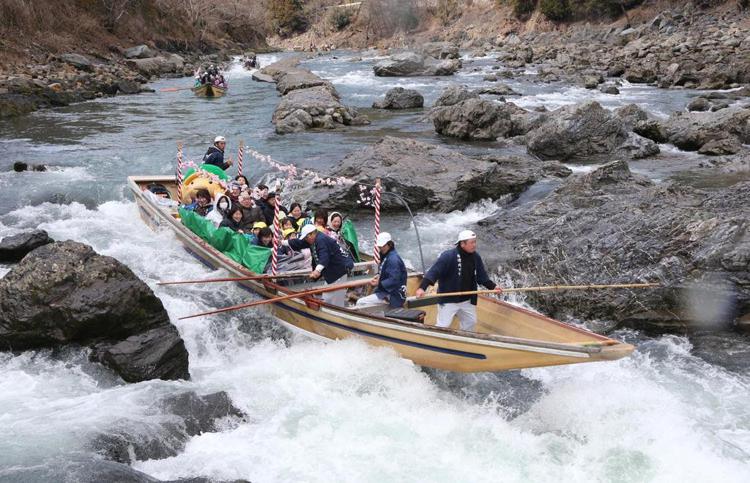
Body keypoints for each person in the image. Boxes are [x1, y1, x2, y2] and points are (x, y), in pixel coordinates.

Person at [415, 230, 502, 332]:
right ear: (462, 244)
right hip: (448, 299)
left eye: (475, 242)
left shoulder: (476, 257)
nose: (474, 245)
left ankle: (464, 340)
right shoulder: (448, 256)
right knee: (443, 325)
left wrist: (493, 287)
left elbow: (482, 277)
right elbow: (434, 272)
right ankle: (436, 341)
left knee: (471, 322)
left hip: (467, 299)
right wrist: (422, 288)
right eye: (471, 242)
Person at [285, 224, 354, 307]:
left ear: (311, 234)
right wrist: (283, 242)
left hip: (339, 270)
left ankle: (336, 316)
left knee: (333, 298)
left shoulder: (321, 240)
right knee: (328, 297)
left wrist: (317, 270)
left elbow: (324, 257)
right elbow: (300, 243)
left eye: (306, 237)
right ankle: (331, 312)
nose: (306, 240)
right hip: (334, 270)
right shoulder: (313, 239)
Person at [356, 232, 407, 309]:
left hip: (393, 295)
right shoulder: (387, 255)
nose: (380, 247)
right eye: (379, 246)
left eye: (382, 246)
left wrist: (379, 282)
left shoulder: (393, 260)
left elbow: (394, 280)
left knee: (360, 302)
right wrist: (379, 276)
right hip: (387, 291)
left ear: (389, 244)